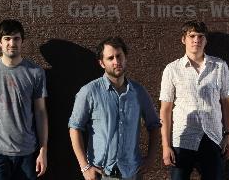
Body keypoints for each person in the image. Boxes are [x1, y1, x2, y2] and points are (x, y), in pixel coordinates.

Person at [68, 36, 161, 180]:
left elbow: (154, 125)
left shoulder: (138, 91)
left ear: (125, 58)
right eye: (110, 58)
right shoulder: (89, 91)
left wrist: (150, 159)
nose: (116, 62)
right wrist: (85, 167)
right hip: (101, 173)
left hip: (132, 172)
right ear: (102, 63)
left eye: (119, 56)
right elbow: (75, 128)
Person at [0, 19, 48, 180]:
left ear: (22, 41)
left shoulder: (35, 72)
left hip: (27, 152)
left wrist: (43, 151)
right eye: (7, 38)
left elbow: (40, 112)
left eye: (16, 38)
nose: (12, 43)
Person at [159, 20, 229, 180]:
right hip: (183, 139)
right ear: (183, 39)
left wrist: (228, 134)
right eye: (192, 36)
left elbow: (226, 104)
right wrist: (166, 145)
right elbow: (165, 110)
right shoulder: (172, 69)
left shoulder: (219, 66)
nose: (196, 40)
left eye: (200, 36)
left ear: (206, 40)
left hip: (213, 137)